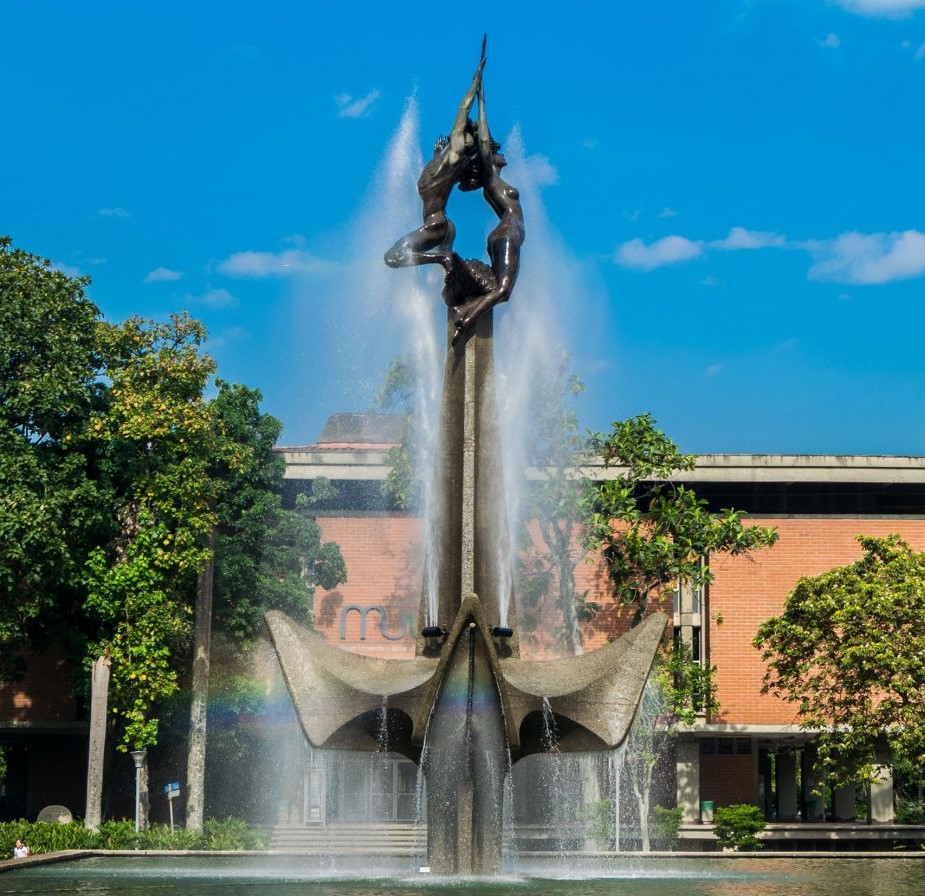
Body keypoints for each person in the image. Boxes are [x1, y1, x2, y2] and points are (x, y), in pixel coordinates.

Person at [384, 54, 485, 273]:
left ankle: (440, 258)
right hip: (443, 225)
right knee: (449, 280)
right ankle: (453, 274)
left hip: (436, 225)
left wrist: (476, 81)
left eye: (464, 133)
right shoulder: (440, 160)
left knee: (392, 257)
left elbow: (463, 108)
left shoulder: (454, 156)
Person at [451, 78, 525, 343]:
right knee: (504, 291)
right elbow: (484, 141)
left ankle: (467, 308)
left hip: (503, 234)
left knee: (496, 289)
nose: (500, 151)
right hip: (507, 233)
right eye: (495, 151)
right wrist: (481, 102)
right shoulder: (491, 180)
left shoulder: (497, 180)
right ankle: (465, 317)